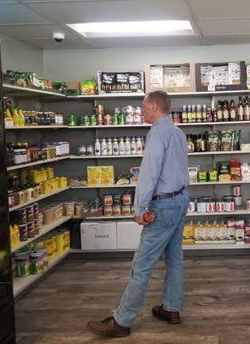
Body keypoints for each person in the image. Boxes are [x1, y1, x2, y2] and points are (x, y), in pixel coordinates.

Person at [87, 90, 189, 338]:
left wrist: (140, 209)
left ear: (154, 106)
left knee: (141, 266)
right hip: (180, 200)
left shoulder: (157, 133)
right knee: (174, 258)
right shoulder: (177, 132)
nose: (141, 110)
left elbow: (149, 174)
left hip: (162, 207)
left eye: (143, 106)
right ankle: (171, 309)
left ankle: (122, 321)